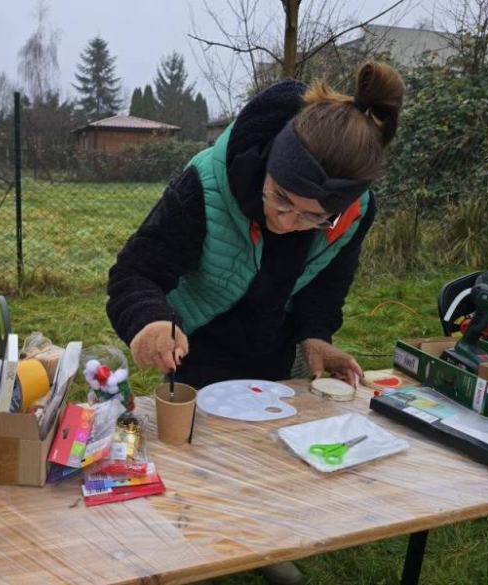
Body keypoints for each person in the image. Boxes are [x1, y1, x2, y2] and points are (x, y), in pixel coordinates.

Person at [106, 62, 404, 584]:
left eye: (311, 216)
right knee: (196, 447)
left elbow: (328, 282)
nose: (286, 222)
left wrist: (316, 336)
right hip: (199, 333)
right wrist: (149, 321)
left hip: (274, 335)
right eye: (280, 198)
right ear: (269, 161)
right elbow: (135, 272)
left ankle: (264, 541)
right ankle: (187, 541)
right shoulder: (206, 183)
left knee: (273, 443)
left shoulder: (355, 211)